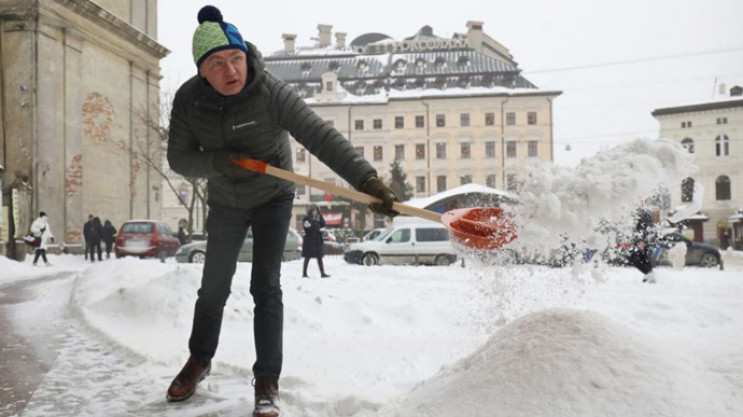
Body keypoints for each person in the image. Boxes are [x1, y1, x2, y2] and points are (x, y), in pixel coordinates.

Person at [164, 6, 397, 416]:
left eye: (235, 58)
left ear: (245, 57)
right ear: (203, 72)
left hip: (273, 196)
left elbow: (319, 134)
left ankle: (267, 380)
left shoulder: (270, 92)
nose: (230, 70)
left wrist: (367, 180)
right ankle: (199, 359)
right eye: (216, 64)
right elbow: (180, 160)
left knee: (265, 288)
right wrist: (221, 162)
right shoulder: (188, 101)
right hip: (226, 201)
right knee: (213, 287)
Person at [628, 207, 656, 283]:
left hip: (640, 240)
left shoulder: (642, 212)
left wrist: (641, 241)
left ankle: (649, 273)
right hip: (642, 240)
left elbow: (643, 227)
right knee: (643, 258)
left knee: (633, 258)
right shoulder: (645, 212)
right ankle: (650, 274)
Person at [301, 205, 329, 278]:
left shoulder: (318, 220)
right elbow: (307, 228)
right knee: (307, 257)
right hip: (309, 240)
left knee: (319, 257)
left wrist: (320, 216)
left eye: (316, 211)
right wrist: (311, 218)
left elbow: (323, 227)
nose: (315, 212)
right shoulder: (306, 219)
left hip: (317, 240)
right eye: (314, 211)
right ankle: (304, 273)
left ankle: (322, 273)